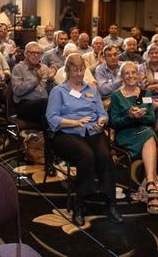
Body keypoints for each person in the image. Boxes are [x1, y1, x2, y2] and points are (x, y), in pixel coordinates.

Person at [45, 54, 121, 226]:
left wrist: (101, 120)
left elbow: (102, 113)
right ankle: (80, 203)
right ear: (67, 71)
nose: (79, 74)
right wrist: (74, 122)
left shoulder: (91, 90)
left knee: (105, 156)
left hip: (92, 131)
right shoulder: (59, 91)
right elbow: (52, 118)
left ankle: (110, 202)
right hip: (66, 134)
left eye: (81, 70)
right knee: (86, 156)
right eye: (75, 70)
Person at [109, 61, 158, 214]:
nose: (131, 75)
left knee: (149, 135)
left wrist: (139, 117)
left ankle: (151, 186)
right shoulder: (117, 96)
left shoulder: (146, 94)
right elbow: (114, 123)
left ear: (138, 75)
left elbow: (151, 119)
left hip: (143, 131)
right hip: (125, 135)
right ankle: (152, 191)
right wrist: (129, 116)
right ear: (122, 77)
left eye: (133, 72)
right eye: (127, 73)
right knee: (149, 136)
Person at [11, 41, 56, 129]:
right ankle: (52, 137)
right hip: (24, 105)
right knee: (46, 105)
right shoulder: (18, 68)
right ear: (26, 54)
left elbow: (52, 91)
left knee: (49, 110)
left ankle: (47, 138)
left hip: (42, 105)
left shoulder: (44, 68)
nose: (36, 56)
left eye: (38, 53)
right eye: (33, 53)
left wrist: (51, 80)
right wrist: (36, 79)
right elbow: (18, 91)